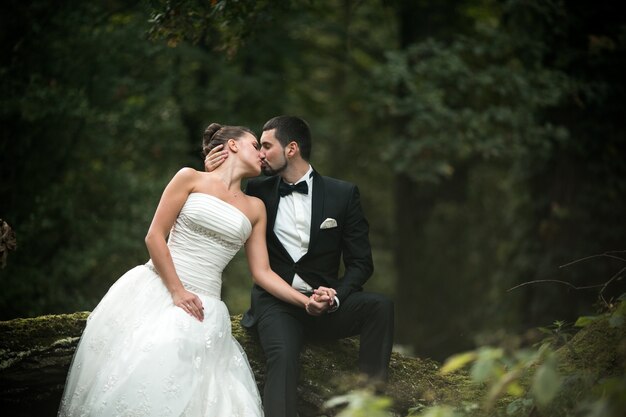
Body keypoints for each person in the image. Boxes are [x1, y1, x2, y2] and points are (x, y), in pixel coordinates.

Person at [58, 123, 334, 417]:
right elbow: (154, 237)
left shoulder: (255, 207)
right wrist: (178, 292)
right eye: (256, 146)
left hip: (205, 304)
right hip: (158, 289)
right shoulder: (190, 178)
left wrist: (305, 302)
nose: (263, 155)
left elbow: (262, 273)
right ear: (232, 146)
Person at [205, 116, 394, 417]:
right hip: (277, 304)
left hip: (324, 306)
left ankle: (370, 406)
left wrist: (333, 297)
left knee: (379, 306)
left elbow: (361, 263)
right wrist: (213, 171)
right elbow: (214, 206)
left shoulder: (342, 194)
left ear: (291, 148)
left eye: (266, 145)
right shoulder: (256, 191)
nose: (261, 153)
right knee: (283, 355)